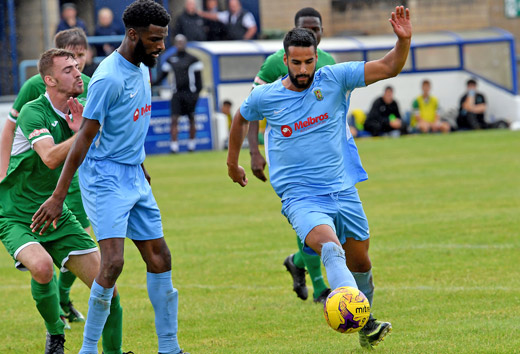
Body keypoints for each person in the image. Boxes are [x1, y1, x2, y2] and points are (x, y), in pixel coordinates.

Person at [227, 6, 412, 349]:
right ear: (285, 60)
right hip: (300, 196)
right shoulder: (267, 95)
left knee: (361, 261)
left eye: (308, 62)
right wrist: (233, 162)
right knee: (330, 246)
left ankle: (363, 319)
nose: (302, 69)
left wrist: (403, 41)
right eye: (295, 63)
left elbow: (389, 67)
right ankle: (364, 321)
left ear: (316, 57)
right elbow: (240, 117)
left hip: (342, 188)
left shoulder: (335, 77)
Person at [31, 1, 187, 353]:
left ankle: (170, 348)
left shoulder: (143, 67)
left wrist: (142, 168)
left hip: (133, 174)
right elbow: (84, 138)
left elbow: (129, 126)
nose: (161, 46)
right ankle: (88, 350)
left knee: (161, 258)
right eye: (154, 39)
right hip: (105, 177)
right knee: (113, 263)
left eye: (162, 38)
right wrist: (57, 198)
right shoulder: (108, 78)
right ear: (133, 35)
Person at [0, 48, 124, 354]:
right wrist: (83, 132)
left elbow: (103, 148)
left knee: (108, 289)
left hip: (56, 213)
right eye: (68, 69)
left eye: (77, 66)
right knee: (41, 267)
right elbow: (51, 157)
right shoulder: (34, 111)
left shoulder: (84, 107)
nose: (77, 72)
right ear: (50, 80)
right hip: (16, 214)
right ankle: (55, 334)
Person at [0, 28, 92, 330]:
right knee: (42, 266)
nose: (77, 65)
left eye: (80, 57)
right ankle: (56, 321)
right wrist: (3, 172)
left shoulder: (91, 87)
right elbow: (11, 131)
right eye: (70, 59)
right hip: (32, 187)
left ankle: (64, 297)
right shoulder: (33, 90)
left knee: (83, 247)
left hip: (75, 183)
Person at [247, 7, 336, 305]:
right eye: (305, 29)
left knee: (330, 226)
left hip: (324, 159)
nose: (312, 33)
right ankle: (321, 286)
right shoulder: (275, 62)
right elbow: (250, 107)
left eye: (316, 29)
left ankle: (298, 262)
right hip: (288, 158)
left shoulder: (329, 63)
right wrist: (254, 151)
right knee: (306, 218)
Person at [154, 34, 203, 153]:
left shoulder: (193, 59)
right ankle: (174, 147)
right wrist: (151, 84)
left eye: (182, 42)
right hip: (177, 94)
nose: (180, 44)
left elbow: (199, 81)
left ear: (185, 43)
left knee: (191, 119)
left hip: (190, 94)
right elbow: (162, 76)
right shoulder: (171, 59)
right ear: (175, 44)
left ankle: (191, 145)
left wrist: (196, 95)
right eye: (178, 42)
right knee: (174, 119)